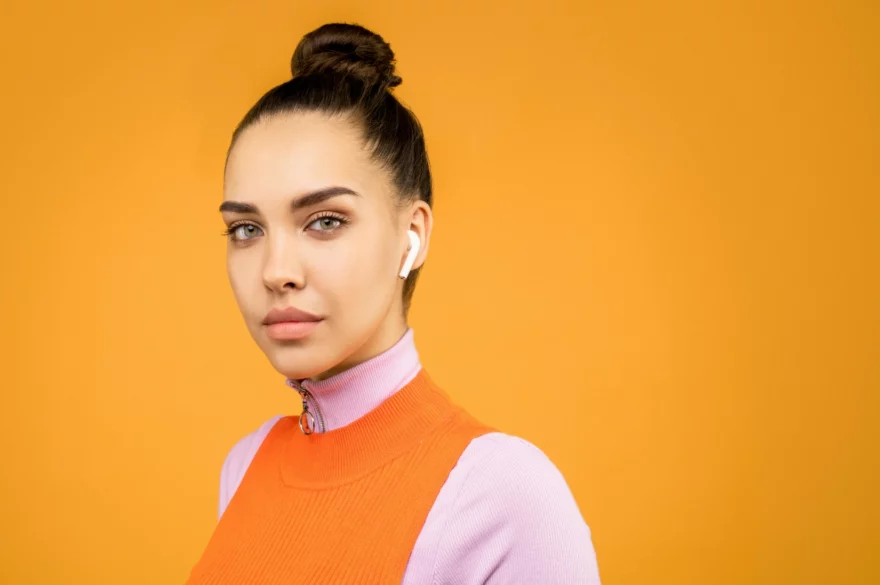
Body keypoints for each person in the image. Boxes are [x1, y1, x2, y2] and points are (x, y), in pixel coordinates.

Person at [186, 22, 600, 584]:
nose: (276, 271)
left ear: (412, 235)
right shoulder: (245, 464)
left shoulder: (504, 496)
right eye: (246, 229)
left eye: (324, 221)